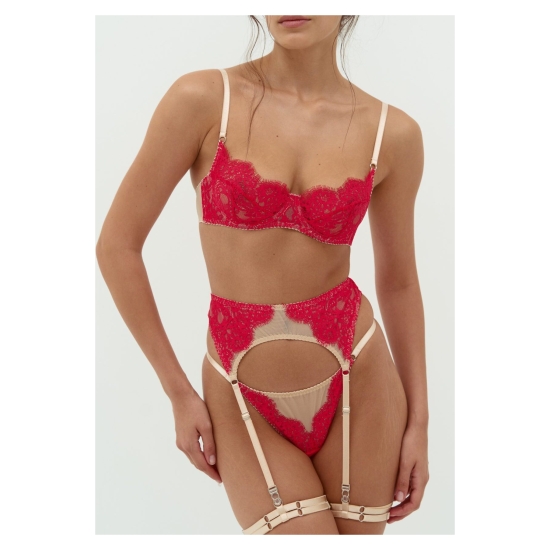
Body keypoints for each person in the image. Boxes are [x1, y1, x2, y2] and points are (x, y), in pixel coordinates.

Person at [96, 15, 429, 535]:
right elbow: (117, 247)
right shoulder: (204, 99)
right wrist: (178, 392)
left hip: (358, 377)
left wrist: (419, 423)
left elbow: (400, 282)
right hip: (237, 385)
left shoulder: (394, 133)